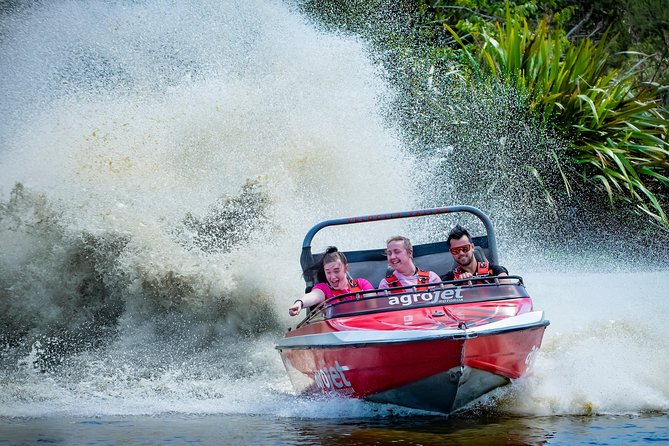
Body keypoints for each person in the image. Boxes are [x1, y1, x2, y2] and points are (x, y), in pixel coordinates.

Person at [288, 247, 373, 316]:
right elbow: (313, 296)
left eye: (336, 271)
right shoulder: (324, 289)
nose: (332, 277)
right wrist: (300, 303)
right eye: (328, 272)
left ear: (346, 268)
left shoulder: (362, 284)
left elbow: (374, 305)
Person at [442, 225, 508, 282]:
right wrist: (460, 286)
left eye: (465, 248)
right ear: (451, 253)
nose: (461, 253)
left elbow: (508, 288)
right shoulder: (449, 279)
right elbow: (444, 290)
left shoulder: (495, 271)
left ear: (472, 247)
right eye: (456, 251)